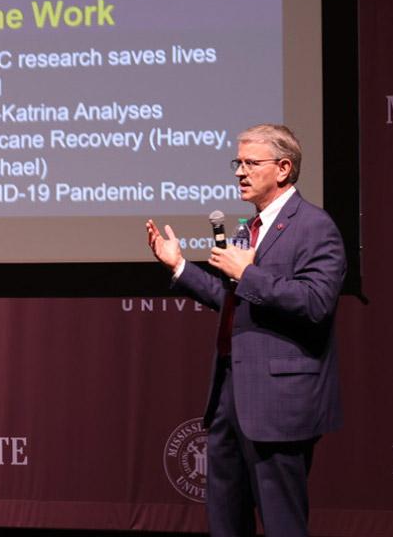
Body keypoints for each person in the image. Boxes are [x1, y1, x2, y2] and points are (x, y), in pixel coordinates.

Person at [144, 124, 344, 537]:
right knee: (225, 521)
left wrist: (248, 274)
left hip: (278, 401)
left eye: (252, 163)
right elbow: (231, 299)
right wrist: (179, 266)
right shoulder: (249, 227)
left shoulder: (314, 226)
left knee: (282, 523)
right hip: (231, 396)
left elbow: (316, 303)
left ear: (284, 168)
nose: (240, 172)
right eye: (238, 163)